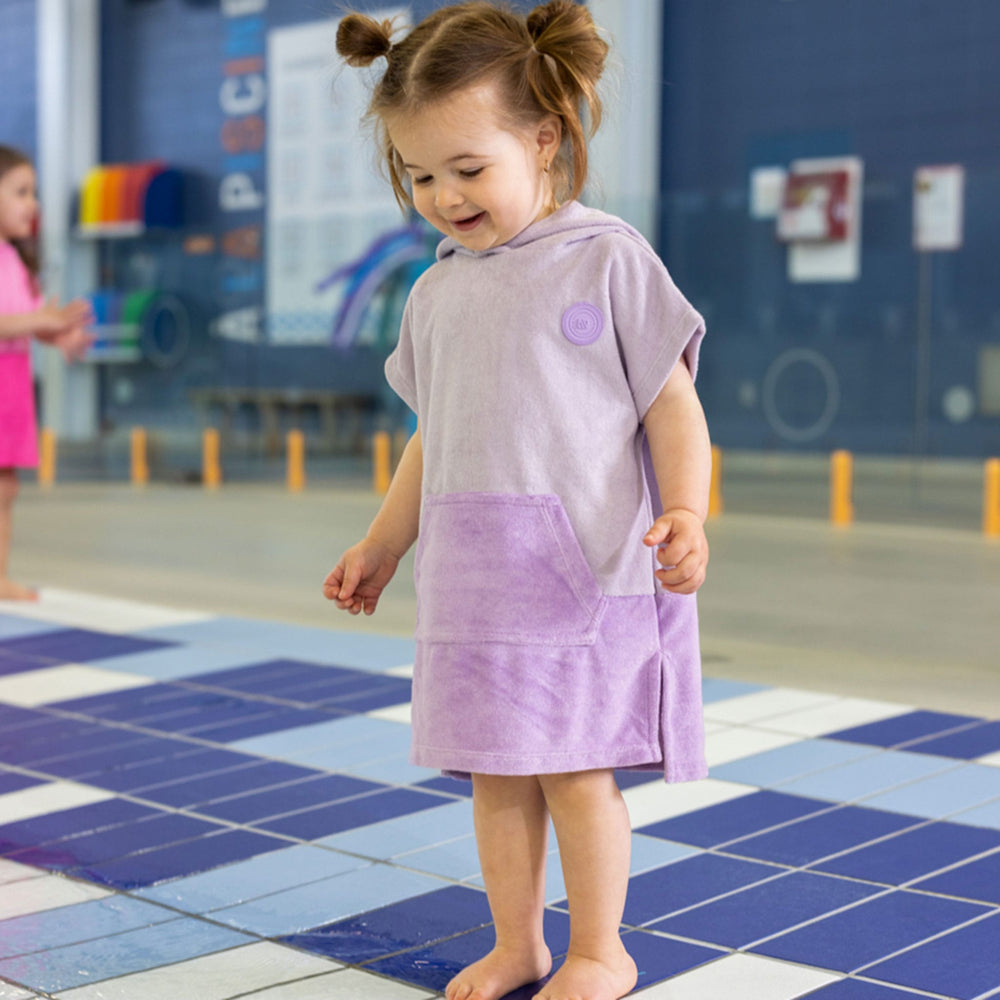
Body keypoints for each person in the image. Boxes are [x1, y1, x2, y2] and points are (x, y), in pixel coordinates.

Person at [323, 4, 711, 998]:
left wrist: (687, 511)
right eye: (420, 175)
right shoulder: (435, 292)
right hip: (475, 585)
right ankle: (517, 944)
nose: (444, 196)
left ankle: (600, 950)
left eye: (467, 167)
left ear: (543, 137)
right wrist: (382, 544)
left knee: (575, 771)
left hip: (581, 580)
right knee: (495, 773)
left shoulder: (606, 259)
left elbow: (672, 404)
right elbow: (434, 435)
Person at [0, 145, 93, 601]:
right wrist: (41, 321)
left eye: (33, 193)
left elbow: (31, 318)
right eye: (20, 192)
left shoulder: (16, 261)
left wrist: (60, 336)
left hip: (12, 385)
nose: (32, 204)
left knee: (6, 487)